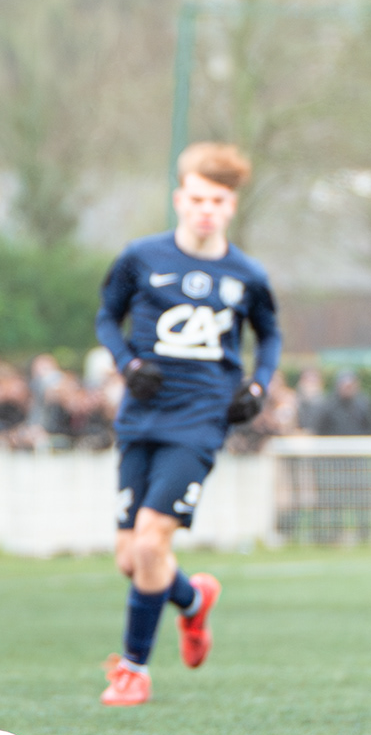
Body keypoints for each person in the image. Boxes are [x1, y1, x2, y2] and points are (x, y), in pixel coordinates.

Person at [92, 141, 279, 706]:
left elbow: (269, 334)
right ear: (179, 198)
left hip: (201, 420)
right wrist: (127, 364)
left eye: (217, 200)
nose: (205, 209)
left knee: (150, 544)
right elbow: (107, 316)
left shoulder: (246, 273)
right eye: (196, 198)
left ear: (231, 207)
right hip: (140, 417)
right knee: (133, 559)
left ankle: (132, 670)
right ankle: (193, 600)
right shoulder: (141, 257)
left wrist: (258, 384)